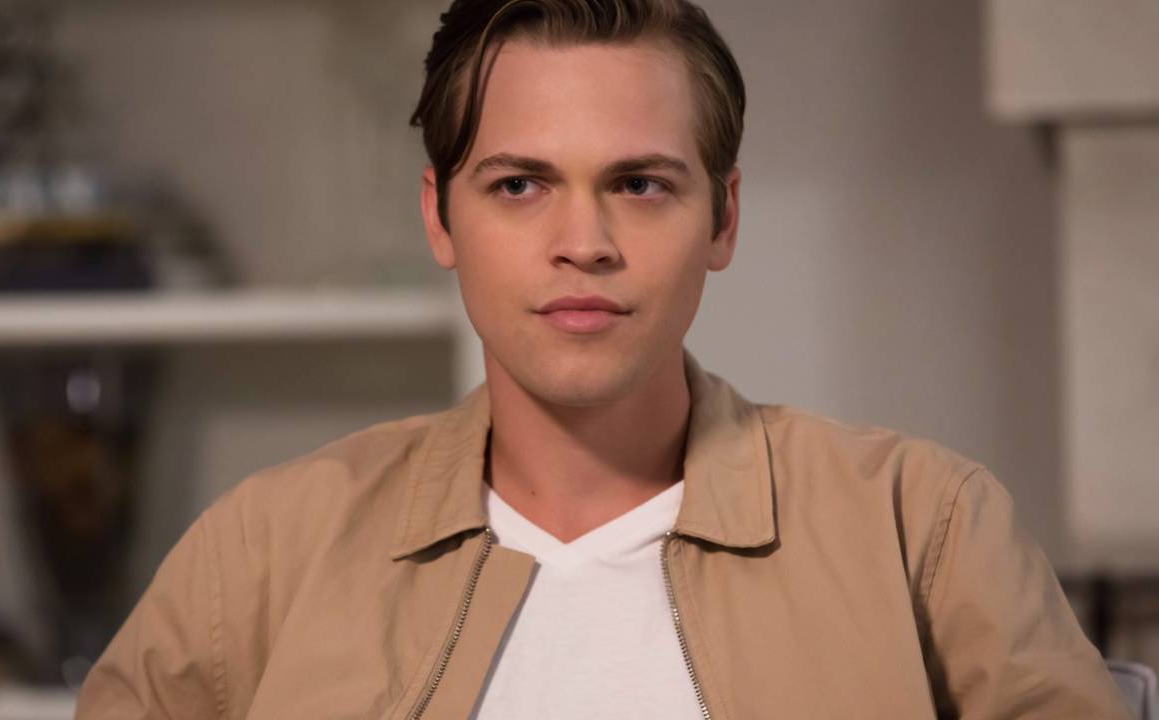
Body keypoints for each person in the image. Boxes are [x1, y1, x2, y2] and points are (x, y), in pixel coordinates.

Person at [75, 0, 1131, 717]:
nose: (582, 242)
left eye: (638, 184)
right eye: (518, 185)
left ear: (721, 219)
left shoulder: (924, 530)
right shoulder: (264, 555)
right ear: (440, 217)